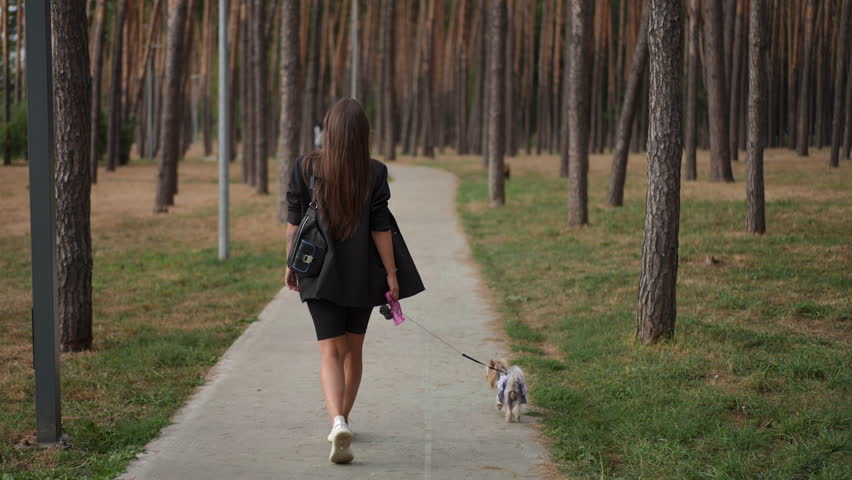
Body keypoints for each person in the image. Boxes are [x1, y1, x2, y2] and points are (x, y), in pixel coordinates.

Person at [285, 99, 403, 465]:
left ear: (330, 131)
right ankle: (344, 420)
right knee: (354, 351)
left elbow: (294, 220)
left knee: (329, 353)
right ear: (362, 136)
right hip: (362, 276)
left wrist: (290, 263)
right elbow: (381, 228)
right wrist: (392, 275)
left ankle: (337, 422)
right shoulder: (375, 172)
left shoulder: (306, 168)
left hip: (317, 273)